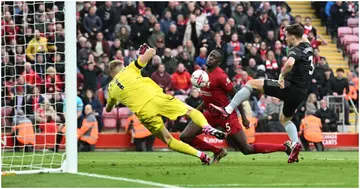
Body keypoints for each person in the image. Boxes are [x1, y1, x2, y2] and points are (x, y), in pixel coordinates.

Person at [105, 43, 226, 165]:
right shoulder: (130, 68)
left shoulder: (111, 88)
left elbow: (109, 109)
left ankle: (201, 155)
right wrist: (144, 52)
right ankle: (206, 127)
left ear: (111, 74)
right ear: (122, 66)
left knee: (168, 140)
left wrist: (113, 102)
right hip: (157, 98)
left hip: (144, 112)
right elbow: (152, 52)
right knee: (190, 111)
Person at [210, 24, 314, 163]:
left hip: (289, 87)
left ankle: (227, 110)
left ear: (293, 37)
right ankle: (295, 143)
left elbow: (289, 63)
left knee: (251, 83)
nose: (285, 38)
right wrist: (289, 27)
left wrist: (281, 76)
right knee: (285, 119)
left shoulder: (295, 50)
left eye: (286, 35)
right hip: (301, 93)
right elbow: (302, 34)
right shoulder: (307, 45)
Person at [180, 49, 291, 164]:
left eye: (214, 57)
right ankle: (217, 151)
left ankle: (284, 147)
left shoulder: (221, 76)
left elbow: (237, 96)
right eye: (210, 56)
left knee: (246, 149)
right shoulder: (202, 75)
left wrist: (244, 118)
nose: (210, 58)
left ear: (218, 63)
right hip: (210, 114)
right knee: (185, 136)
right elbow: (208, 98)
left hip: (226, 115)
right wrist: (194, 113)